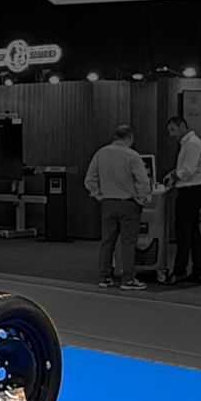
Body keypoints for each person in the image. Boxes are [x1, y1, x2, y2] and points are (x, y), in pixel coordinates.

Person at [84, 124, 152, 290]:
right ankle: (127, 279)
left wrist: (98, 195)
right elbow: (143, 181)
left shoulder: (100, 153)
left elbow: (89, 179)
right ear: (130, 138)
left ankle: (105, 277)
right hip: (128, 204)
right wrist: (142, 198)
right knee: (128, 243)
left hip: (108, 203)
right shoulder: (132, 155)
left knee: (107, 242)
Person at [163, 114, 201, 286]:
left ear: (182, 126)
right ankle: (198, 271)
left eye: (173, 130)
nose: (171, 134)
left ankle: (179, 271)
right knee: (193, 233)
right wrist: (173, 174)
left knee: (183, 233)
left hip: (190, 192)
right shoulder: (189, 144)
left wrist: (173, 177)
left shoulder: (192, 144)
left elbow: (188, 170)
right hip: (191, 191)